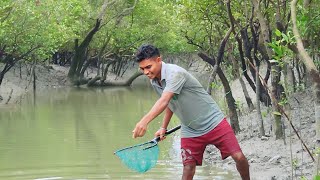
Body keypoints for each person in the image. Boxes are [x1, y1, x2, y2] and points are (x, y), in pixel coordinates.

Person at [132, 44, 250, 180]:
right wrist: (163, 127)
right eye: (142, 69)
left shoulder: (175, 73)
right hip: (190, 128)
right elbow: (170, 103)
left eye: (148, 67)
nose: (146, 72)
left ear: (159, 60)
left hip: (213, 121)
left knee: (239, 157)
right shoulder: (155, 81)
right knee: (188, 168)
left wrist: (144, 121)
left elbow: (164, 100)